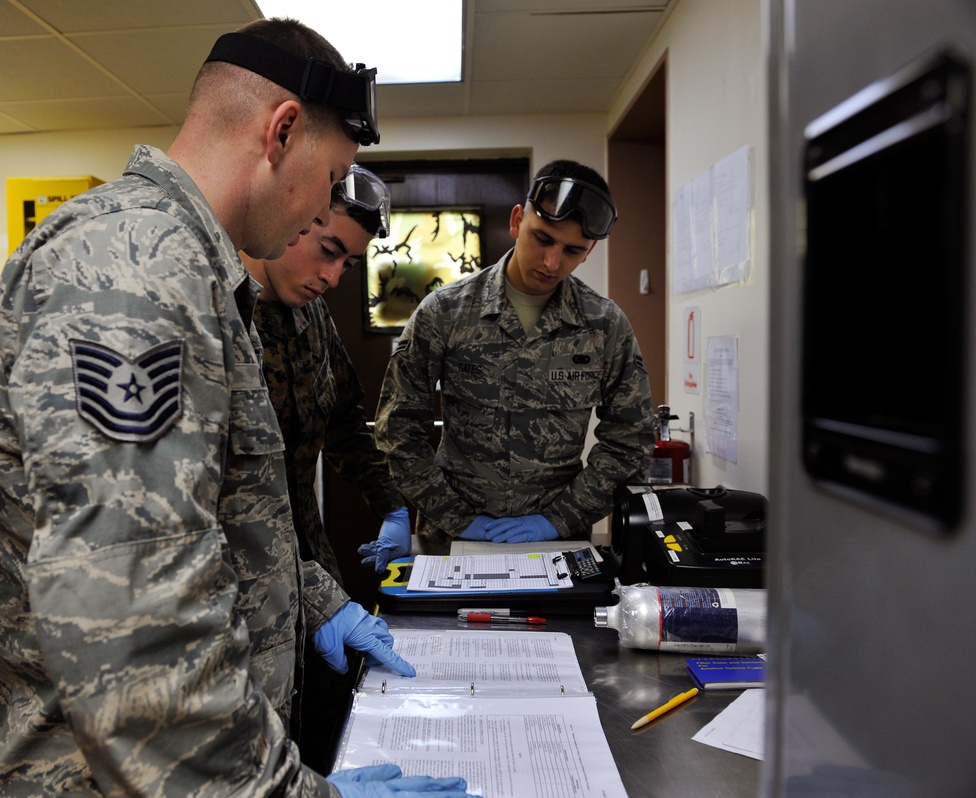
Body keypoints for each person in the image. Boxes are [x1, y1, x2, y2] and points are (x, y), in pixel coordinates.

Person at [0, 18, 469, 798]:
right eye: (329, 181)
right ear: (282, 130)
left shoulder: (201, 274)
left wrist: (316, 595)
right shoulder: (136, 271)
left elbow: (213, 511)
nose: (321, 212)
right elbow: (133, 628)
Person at [375, 159, 654, 555]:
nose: (552, 263)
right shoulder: (445, 313)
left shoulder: (605, 326)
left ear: (589, 251)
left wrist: (558, 519)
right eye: (542, 238)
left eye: (572, 250)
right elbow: (399, 427)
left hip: (558, 542)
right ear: (517, 220)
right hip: (453, 537)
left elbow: (631, 441)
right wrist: (455, 517)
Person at [241, 164, 410, 771]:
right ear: (293, 211)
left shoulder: (311, 316)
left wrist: (391, 502)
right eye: (328, 251)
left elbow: (343, 419)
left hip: (309, 563)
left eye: (348, 264)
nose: (333, 277)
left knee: (326, 724)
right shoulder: (220, 317)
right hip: (242, 586)